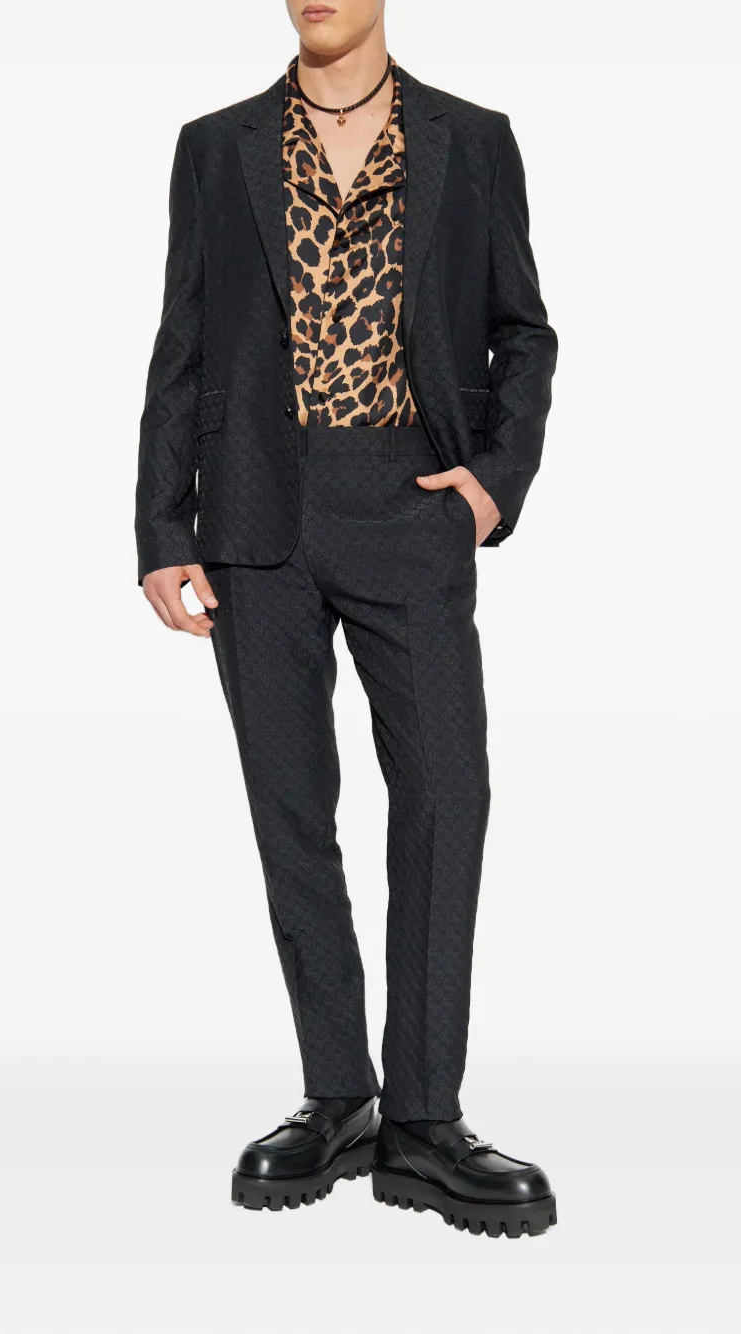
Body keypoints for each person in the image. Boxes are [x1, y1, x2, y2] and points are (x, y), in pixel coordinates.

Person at [135, 0, 558, 1239]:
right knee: (290, 807)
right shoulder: (215, 146)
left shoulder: (471, 139)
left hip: (409, 499)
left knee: (444, 793)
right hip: (253, 509)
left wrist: (493, 479)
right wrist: (162, 526)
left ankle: (423, 1116)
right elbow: (181, 342)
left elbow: (522, 330)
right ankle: (338, 1095)